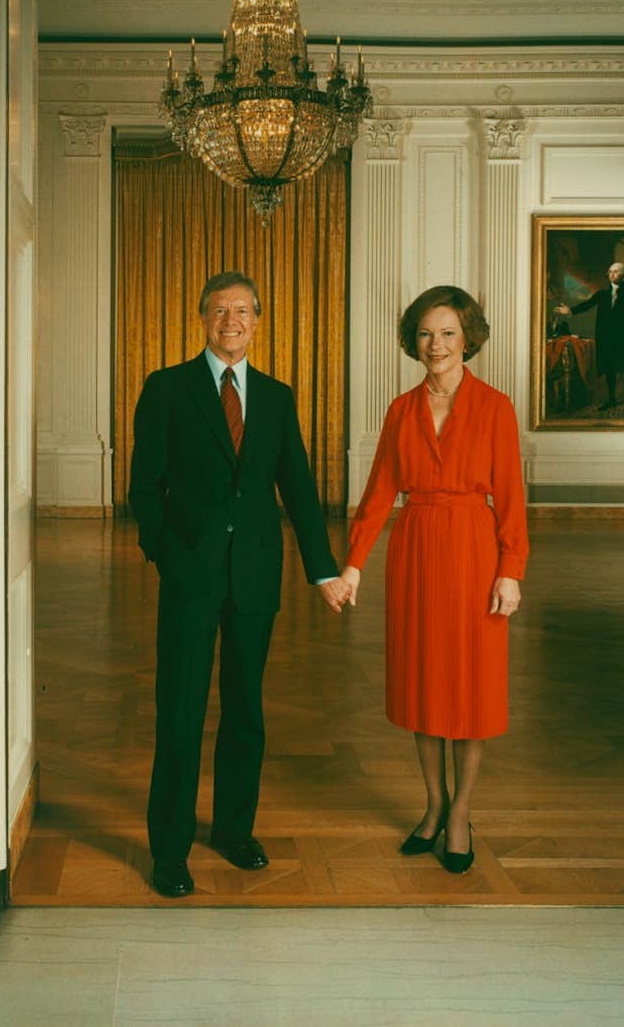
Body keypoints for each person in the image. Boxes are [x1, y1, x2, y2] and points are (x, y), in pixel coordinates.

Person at [128, 270, 351, 897]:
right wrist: (167, 554)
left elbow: (300, 490)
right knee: (180, 711)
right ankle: (169, 849)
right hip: (190, 578)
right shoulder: (168, 388)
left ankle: (232, 830)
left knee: (245, 711)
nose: (233, 322)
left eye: (244, 311)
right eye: (221, 311)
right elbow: (144, 487)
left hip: (256, 577)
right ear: (202, 319)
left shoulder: (277, 398)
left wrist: (323, 569)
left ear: (259, 321)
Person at [337, 286, 529, 874]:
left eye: (447, 332)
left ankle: (462, 814)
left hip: (474, 551)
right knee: (423, 687)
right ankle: (434, 802)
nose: (436, 344)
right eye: (425, 333)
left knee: (469, 691)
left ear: (468, 337)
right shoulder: (400, 410)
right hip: (416, 549)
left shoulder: (495, 407)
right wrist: (352, 565)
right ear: (412, 341)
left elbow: (514, 500)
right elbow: (376, 496)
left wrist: (511, 572)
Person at [556, 261, 624, 413]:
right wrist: (570, 310)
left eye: (615, 271)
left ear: (623, 275)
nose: (612, 274)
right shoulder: (602, 294)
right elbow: (587, 305)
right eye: (610, 271)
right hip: (607, 338)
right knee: (609, 368)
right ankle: (611, 399)